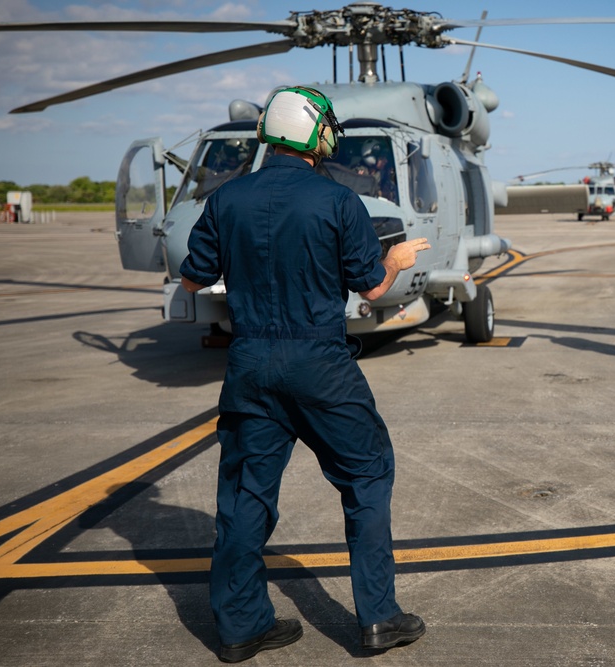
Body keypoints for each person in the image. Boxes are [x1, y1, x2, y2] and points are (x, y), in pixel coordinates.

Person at [179, 86, 430, 662]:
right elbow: (371, 288)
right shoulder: (337, 200)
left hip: (249, 365)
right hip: (319, 364)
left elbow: (193, 278)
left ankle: (242, 626)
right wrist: (394, 260)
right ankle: (379, 619)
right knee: (367, 476)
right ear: (314, 135)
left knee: (245, 495)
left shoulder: (227, 198)